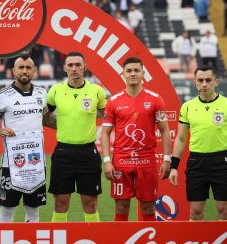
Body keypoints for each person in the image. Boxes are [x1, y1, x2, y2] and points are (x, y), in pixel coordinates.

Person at [101, 57, 171, 221]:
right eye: (129, 71)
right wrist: (106, 161)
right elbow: (105, 133)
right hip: (121, 162)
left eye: (136, 70)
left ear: (143, 73)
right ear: (123, 74)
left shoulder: (155, 99)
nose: (133, 74)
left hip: (146, 161)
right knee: (121, 206)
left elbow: (165, 130)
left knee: (148, 208)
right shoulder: (113, 101)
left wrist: (167, 158)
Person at [0, 52, 56, 222]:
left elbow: (46, 119)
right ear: (14, 70)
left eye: (28, 68)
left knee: (34, 210)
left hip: (36, 162)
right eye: (21, 67)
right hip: (11, 163)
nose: (24, 71)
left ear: (34, 70)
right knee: (6, 210)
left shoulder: (42, 93)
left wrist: (74, 122)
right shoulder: (2, 95)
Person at [46, 52, 106, 222]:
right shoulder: (56, 90)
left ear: (84, 67)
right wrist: (62, 125)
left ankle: (94, 239)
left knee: (90, 203)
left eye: (78, 65)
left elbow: (106, 115)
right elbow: (44, 115)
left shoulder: (96, 91)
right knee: (60, 202)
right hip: (63, 153)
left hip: (88, 152)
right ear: (64, 68)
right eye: (70, 65)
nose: (74, 69)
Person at [169, 65, 227, 221]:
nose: (204, 84)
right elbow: (181, 139)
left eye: (208, 80)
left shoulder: (225, 104)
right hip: (196, 162)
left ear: (216, 82)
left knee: (224, 210)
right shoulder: (187, 107)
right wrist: (174, 167)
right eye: (200, 80)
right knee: (195, 212)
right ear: (194, 83)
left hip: (222, 162)